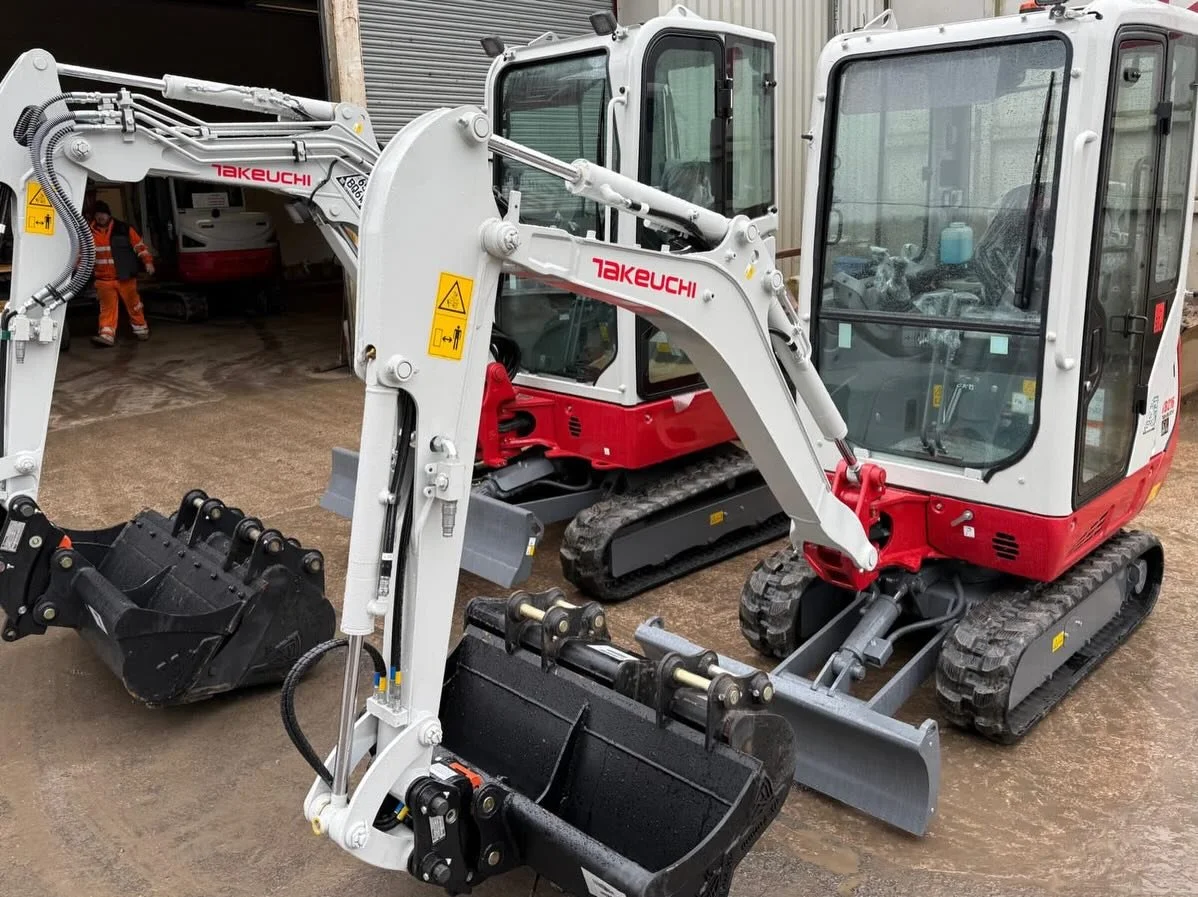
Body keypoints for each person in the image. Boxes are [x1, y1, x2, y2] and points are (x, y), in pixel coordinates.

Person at [89, 201, 154, 347]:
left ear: (109, 214)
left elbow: (140, 246)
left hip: (125, 277)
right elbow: (83, 254)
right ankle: (106, 335)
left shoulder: (124, 229)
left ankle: (141, 329)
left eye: (103, 214)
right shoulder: (88, 232)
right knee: (107, 309)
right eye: (98, 214)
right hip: (103, 279)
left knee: (134, 305)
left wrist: (148, 262)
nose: (101, 217)